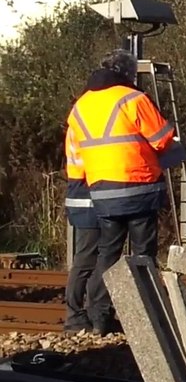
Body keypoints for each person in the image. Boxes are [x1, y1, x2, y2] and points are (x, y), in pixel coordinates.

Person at [65, 50, 185, 334]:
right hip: (139, 186)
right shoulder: (133, 98)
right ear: (129, 73)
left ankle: (99, 316)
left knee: (108, 254)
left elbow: (78, 154)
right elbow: (162, 138)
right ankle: (147, 316)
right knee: (143, 253)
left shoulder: (81, 105)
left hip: (102, 192)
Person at [61, 125, 100, 333]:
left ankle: (83, 312)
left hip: (85, 197)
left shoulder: (78, 125)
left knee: (90, 259)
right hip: (88, 199)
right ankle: (74, 314)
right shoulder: (86, 126)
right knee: (86, 260)